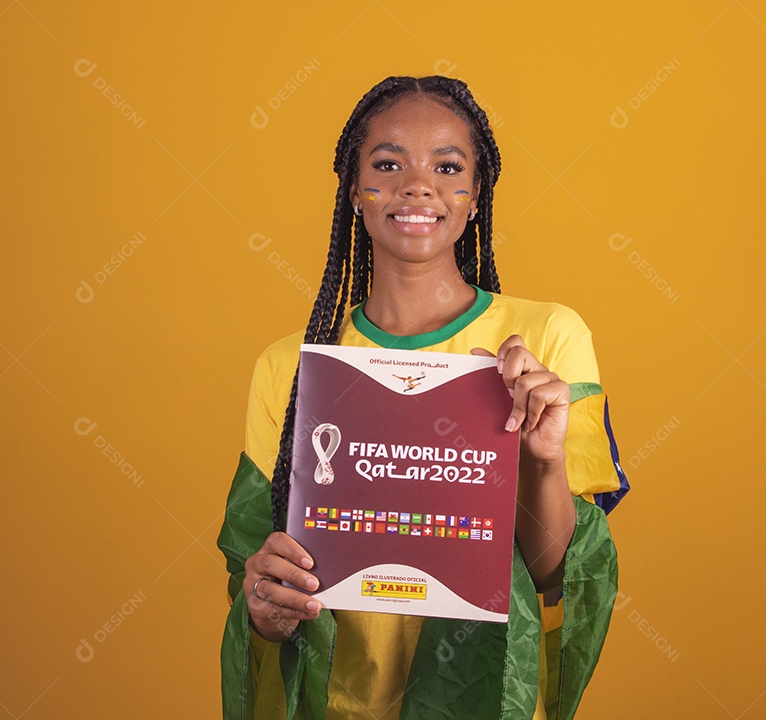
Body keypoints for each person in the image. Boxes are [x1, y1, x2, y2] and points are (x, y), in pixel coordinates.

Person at [218, 75, 630, 720]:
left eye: (447, 166)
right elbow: (257, 578)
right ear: (353, 190)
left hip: (483, 700)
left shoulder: (545, 339)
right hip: (338, 702)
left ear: (476, 195)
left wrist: (543, 459)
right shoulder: (291, 366)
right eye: (388, 165)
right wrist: (267, 605)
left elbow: (556, 574)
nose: (417, 186)